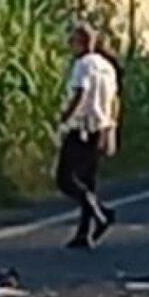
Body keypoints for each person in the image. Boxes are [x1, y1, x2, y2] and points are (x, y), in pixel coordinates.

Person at [55, 22, 121, 249]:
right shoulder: (107, 67)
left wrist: (65, 118)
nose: (70, 45)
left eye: (73, 40)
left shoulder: (82, 65)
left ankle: (100, 212)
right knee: (87, 181)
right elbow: (114, 101)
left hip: (83, 128)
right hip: (101, 129)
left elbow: (80, 94)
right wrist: (112, 128)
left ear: (82, 42)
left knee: (65, 179)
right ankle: (84, 234)